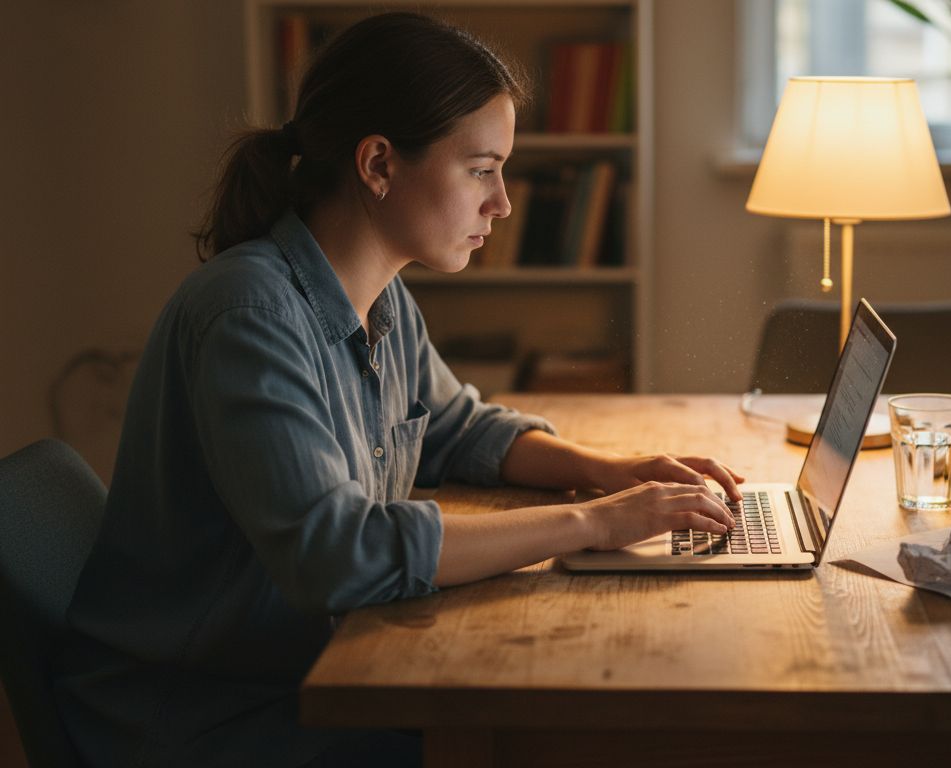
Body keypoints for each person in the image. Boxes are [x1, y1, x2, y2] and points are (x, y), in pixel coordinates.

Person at [55, 12, 741, 767]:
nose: (503, 203)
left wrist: (603, 471)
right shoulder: (249, 316)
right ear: (379, 164)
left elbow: (456, 428)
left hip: (291, 671)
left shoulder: (380, 296)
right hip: (199, 717)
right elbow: (336, 552)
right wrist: (593, 525)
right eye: (481, 169)